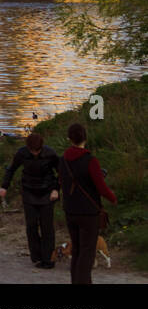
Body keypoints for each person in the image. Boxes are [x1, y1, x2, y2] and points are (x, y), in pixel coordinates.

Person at [58, 122, 116, 285]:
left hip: (70, 211)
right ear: (85, 138)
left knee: (76, 250)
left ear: (69, 139)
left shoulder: (63, 160)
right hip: (88, 213)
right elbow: (101, 187)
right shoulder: (90, 160)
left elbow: (62, 181)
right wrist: (113, 198)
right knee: (87, 253)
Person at [0, 132, 60, 267]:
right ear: (28, 148)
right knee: (31, 226)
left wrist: (56, 189)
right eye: (32, 151)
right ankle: (36, 256)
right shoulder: (21, 153)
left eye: (37, 151)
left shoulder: (50, 153)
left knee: (47, 227)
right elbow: (11, 169)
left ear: (41, 148)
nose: (35, 153)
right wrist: (4, 186)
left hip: (47, 192)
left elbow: (61, 172)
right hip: (29, 191)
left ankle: (48, 258)